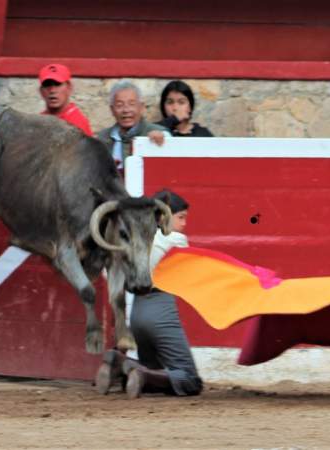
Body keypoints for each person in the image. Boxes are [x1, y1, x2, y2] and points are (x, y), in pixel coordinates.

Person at [95, 189, 203, 399]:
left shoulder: (131, 241)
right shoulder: (176, 239)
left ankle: (116, 363)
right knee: (190, 379)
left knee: (152, 367)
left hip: (137, 313)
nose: (184, 225)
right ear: (163, 217)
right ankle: (140, 374)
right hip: (161, 309)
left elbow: (111, 275)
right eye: (181, 218)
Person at [96, 80, 168, 171]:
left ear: (141, 107)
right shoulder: (102, 138)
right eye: (119, 105)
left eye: (132, 104)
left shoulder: (158, 133)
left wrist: (163, 140)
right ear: (112, 110)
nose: (126, 110)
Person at [38, 63, 93, 136]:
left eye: (57, 84)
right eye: (47, 85)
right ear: (41, 91)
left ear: (69, 87)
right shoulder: (38, 121)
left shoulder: (78, 123)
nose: (52, 90)